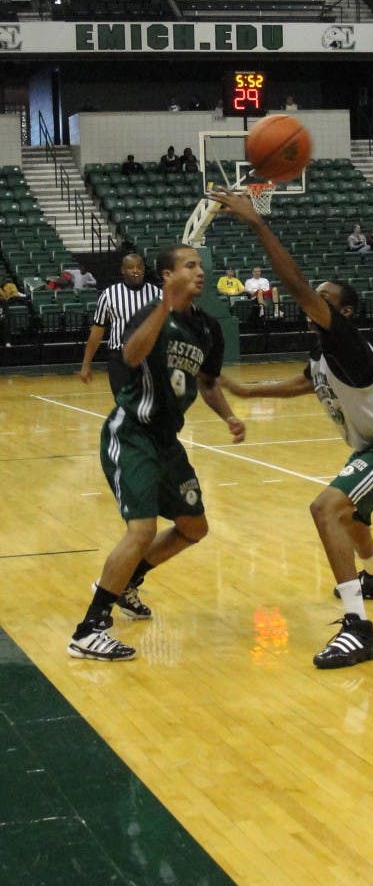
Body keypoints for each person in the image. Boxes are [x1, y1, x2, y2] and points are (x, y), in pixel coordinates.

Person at [208, 188, 373, 669]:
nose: (315, 304)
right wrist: (248, 392)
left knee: (325, 509)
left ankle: (359, 627)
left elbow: (299, 288)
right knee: (352, 515)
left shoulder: (344, 338)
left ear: (343, 313)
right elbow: (304, 383)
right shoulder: (324, 352)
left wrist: (258, 225)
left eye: (326, 301)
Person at [67, 243, 246, 661]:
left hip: (168, 441)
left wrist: (228, 417)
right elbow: (130, 355)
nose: (200, 272)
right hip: (132, 433)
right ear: (166, 276)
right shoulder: (150, 314)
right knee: (142, 530)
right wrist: (163, 308)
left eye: (201, 265)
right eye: (189, 265)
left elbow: (206, 382)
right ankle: (89, 629)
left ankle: (128, 580)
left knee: (193, 527)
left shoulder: (208, 329)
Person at [79, 253, 161, 396]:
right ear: (123, 270)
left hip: (150, 358)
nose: (135, 271)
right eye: (131, 267)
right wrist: (86, 364)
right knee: (123, 404)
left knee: (150, 406)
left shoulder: (158, 295)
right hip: (120, 359)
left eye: (139, 267)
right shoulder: (109, 295)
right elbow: (97, 331)